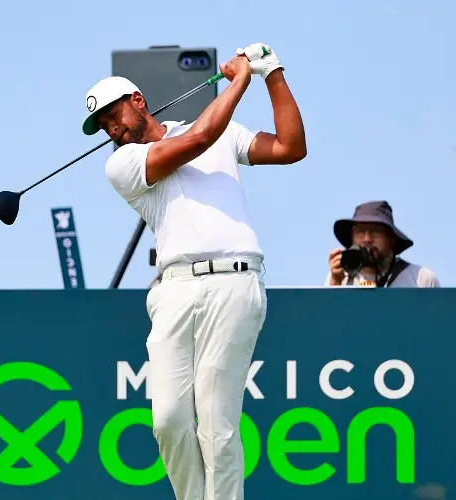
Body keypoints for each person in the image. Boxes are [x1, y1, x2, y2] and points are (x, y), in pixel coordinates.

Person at [81, 43, 306, 499]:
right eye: (102, 125)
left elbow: (290, 147)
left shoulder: (220, 130)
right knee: (168, 421)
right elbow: (197, 140)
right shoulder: (120, 164)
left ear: (137, 101)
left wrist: (271, 74)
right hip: (175, 291)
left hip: (235, 282)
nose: (112, 129)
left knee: (217, 424)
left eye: (113, 115)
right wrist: (240, 80)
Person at [326, 200, 440, 287]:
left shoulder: (421, 279)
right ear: (352, 238)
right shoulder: (339, 278)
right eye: (360, 232)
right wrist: (335, 283)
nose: (367, 239)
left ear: (392, 239)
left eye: (375, 231)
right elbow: (327, 316)